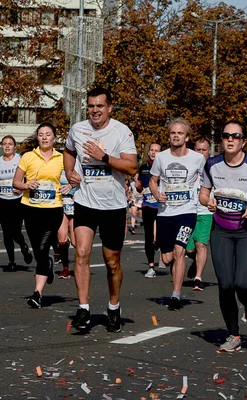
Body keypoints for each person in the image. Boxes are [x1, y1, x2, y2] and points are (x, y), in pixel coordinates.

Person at [64, 87, 138, 333]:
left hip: (113, 206)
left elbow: (132, 167)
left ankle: (113, 307)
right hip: (85, 201)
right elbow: (68, 150)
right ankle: (83, 309)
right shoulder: (78, 129)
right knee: (82, 252)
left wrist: (104, 157)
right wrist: (68, 171)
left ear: (109, 108)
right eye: (91, 106)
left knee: (112, 262)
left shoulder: (121, 132)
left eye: (100, 106)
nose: (95, 110)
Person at [200, 120, 247, 352]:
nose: (230, 139)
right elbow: (203, 193)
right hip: (221, 229)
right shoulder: (211, 164)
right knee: (225, 285)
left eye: (235, 136)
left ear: (243, 141)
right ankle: (233, 335)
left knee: (243, 282)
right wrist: (208, 201)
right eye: (225, 135)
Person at [150, 118, 205, 310]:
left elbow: (207, 180)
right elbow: (153, 180)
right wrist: (157, 194)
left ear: (187, 137)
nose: (176, 136)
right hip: (165, 213)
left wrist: (208, 198)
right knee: (167, 258)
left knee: (179, 250)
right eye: (173, 133)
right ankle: (193, 256)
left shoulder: (197, 159)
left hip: (187, 211)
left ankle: (176, 295)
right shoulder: (161, 157)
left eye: (180, 133)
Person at [13, 123, 71, 308]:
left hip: (53, 210)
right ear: (37, 137)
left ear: (54, 137)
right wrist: (26, 185)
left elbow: (77, 178)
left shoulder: (62, 158)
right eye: (41, 134)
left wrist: (71, 186)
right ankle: (46, 264)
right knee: (39, 253)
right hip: (30, 209)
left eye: (48, 134)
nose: (44, 137)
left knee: (44, 247)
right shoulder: (28, 157)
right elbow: (16, 182)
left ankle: (37, 294)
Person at [0, 135, 33, 271]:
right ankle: (11, 261)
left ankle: (23, 246)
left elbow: (29, 176)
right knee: (6, 232)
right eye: (5, 144)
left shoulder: (20, 160)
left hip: (17, 200)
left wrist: (21, 185)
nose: (7, 146)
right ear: (1, 146)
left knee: (15, 231)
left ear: (15, 146)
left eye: (10, 144)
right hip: (2, 200)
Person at [185, 137, 212, 291]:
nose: (201, 153)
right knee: (189, 249)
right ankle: (195, 261)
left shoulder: (214, 167)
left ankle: (198, 278)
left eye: (204, 150)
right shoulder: (188, 165)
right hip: (188, 210)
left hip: (206, 211)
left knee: (201, 244)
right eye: (198, 149)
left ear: (209, 151)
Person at [137, 143, 161, 278]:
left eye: (156, 150)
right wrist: (138, 186)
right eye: (151, 150)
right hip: (147, 205)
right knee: (148, 236)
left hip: (161, 206)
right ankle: (151, 266)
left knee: (160, 236)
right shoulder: (143, 168)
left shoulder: (163, 167)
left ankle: (158, 245)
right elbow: (140, 188)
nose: (153, 153)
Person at [56, 170, 77, 279]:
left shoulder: (78, 164)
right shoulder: (57, 165)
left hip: (76, 205)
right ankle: (65, 269)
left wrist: (72, 187)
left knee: (75, 242)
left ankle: (80, 267)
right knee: (62, 238)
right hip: (62, 204)